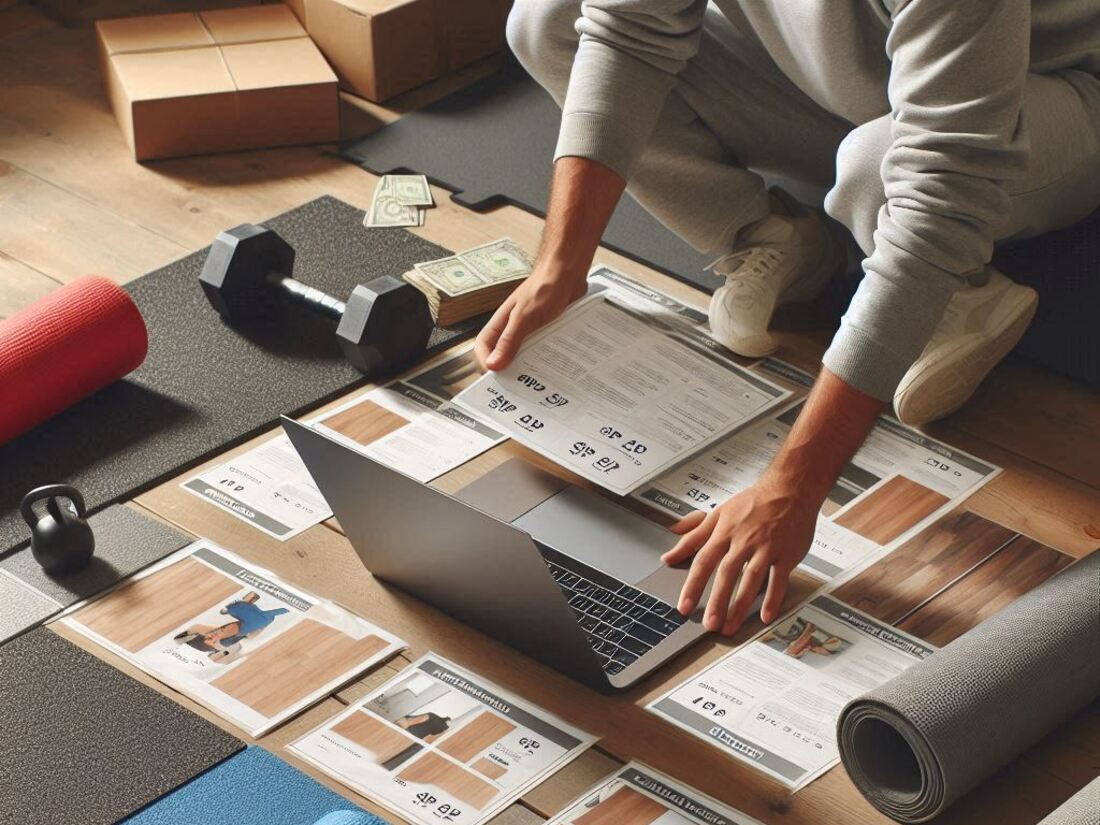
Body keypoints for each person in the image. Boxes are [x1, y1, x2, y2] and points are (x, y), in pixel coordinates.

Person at [474, 0, 1100, 637]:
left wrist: (792, 487)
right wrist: (561, 264)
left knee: (880, 171)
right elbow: (626, 28)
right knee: (550, 22)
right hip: (857, 89)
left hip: (1043, 100)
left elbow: (943, 189)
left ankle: (959, 291)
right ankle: (783, 238)